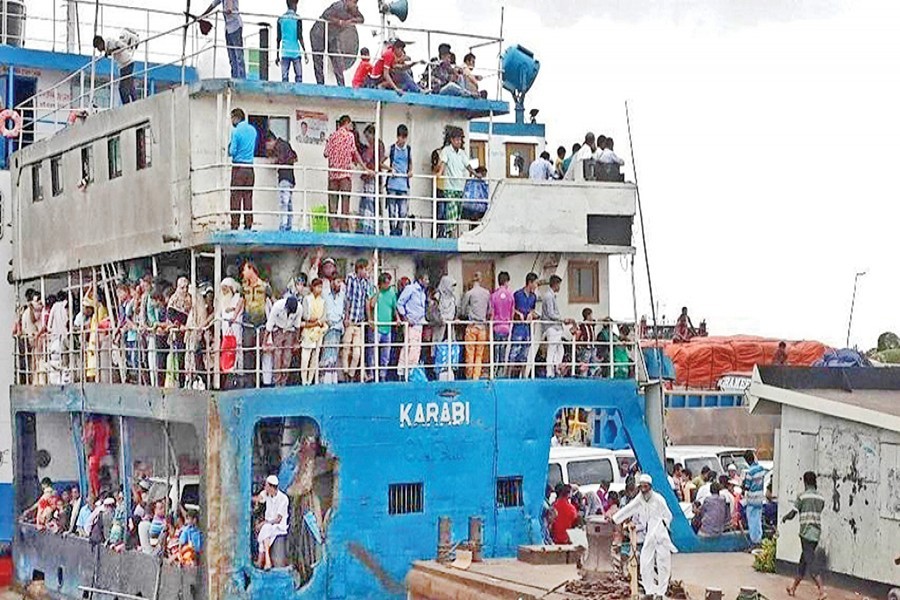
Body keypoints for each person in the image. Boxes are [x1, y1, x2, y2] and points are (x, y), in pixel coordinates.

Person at [613, 474, 677, 598]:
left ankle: (661, 592)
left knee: (663, 562)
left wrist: (662, 525)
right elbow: (629, 509)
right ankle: (650, 591)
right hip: (649, 534)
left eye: (645, 487)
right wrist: (615, 519)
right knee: (645, 561)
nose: (643, 489)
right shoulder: (640, 499)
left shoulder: (658, 499)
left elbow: (668, 515)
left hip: (660, 533)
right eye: (641, 487)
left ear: (650, 487)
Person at [782, 471, 827, 599]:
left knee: (811, 562)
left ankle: (821, 591)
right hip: (816, 533)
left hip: (806, 533)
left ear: (805, 482)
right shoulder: (820, 498)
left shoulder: (802, 497)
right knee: (803, 561)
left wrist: (785, 518)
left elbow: (793, 513)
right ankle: (793, 588)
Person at [323, 115, 367, 233]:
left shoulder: (332, 136)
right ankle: (344, 228)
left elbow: (326, 154)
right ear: (346, 123)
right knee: (345, 202)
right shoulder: (349, 136)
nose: (351, 126)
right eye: (350, 124)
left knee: (333, 202)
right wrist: (365, 167)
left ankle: (332, 228)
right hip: (345, 175)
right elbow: (355, 153)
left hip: (333, 175)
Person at [313, 0, 364, 86]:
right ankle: (320, 84)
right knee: (318, 58)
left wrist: (351, 20)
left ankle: (341, 85)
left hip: (332, 35)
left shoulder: (353, 9)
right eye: (354, 2)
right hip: (319, 32)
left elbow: (361, 19)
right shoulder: (338, 5)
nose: (355, 5)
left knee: (337, 58)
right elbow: (326, 15)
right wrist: (339, 21)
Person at [436, 127, 473, 238]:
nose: (458, 142)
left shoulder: (462, 153)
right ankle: (448, 233)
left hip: (460, 187)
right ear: (451, 140)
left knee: (457, 212)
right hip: (449, 186)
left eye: (460, 140)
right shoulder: (446, 150)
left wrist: (476, 174)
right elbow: (443, 163)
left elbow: (468, 166)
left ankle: (451, 232)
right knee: (450, 209)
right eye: (456, 140)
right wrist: (440, 173)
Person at [343, 259, 375, 382]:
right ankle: (346, 373)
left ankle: (351, 374)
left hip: (360, 322)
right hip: (350, 320)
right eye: (366, 269)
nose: (367, 272)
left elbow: (367, 302)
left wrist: (369, 319)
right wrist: (346, 318)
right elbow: (348, 299)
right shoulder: (351, 278)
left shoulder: (366, 282)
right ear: (360, 269)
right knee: (346, 349)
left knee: (357, 352)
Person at [228, 108, 258, 230]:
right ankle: (248, 224)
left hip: (238, 167)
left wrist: (229, 147)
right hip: (250, 168)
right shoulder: (253, 130)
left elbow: (232, 151)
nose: (231, 121)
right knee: (248, 197)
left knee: (235, 197)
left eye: (232, 118)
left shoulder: (236, 131)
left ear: (236, 118)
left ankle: (235, 224)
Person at [93, 29, 140, 104]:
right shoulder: (106, 47)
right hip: (123, 66)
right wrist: (108, 53)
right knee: (130, 86)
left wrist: (111, 51)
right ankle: (136, 102)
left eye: (98, 47)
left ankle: (127, 105)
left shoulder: (109, 42)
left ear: (100, 43)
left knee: (122, 88)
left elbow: (122, 46)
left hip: (127, 63)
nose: (99, 50)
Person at [397, 272, 429, 378]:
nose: (427, 282)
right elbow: (400, 303)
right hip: (411, 324)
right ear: (420, 280)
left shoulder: (423, 293)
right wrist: (405, 318)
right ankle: (408, 372)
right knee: (412, 348)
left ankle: (403, 372)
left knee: (411, 348)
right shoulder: (410, 289)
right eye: (426, 279)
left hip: (419, 324)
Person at [460, 272, 491, 380]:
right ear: (481, 279)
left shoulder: (469, 294)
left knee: (470, 353)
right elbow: (489, 310)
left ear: (472, 280)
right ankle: (476, 377)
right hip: (482, 327)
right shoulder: (487, 293)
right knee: (479, 354)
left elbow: (462, 311)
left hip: (472, 326)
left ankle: (469, 376)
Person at [265, 131, 298, 232]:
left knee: (284, 202)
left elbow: (281, 159)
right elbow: (295, 157)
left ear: (270, 141)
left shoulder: (279, 146)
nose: (267, 148)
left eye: (267, 145)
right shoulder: (285, 144)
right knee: (288, 203)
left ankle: (283, 226)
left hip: (284, 177)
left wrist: (273, 161)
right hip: (290, 177)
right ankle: (288, 225)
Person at [542, 275, 574, 378]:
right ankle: (549, 372)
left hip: (556, 327)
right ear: (555, 284)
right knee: (552, 350)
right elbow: (551, 313)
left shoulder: (551, 296)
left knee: (560, 349)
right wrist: (562, 319)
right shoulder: (549, 296)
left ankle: (556, 369)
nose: (559, 287)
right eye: (559, 284)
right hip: (552, 327)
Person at [254, 475, 289, 570]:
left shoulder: (283, 499)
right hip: (269, 526)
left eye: (266, 486)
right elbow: (259, 498)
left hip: (279, 527)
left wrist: (265, 523)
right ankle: (266, 561)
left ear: (271, 487)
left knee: (265, 528)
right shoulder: (266, 494)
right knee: (266, 531)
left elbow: (278, 519)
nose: (265, 488)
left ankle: (263, 560)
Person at [265, 295, 301, 387]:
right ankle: (277, 382)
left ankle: (284, 382)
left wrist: (296, 341)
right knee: (277, 357)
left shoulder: (299, 308)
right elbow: (269, 325)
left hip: (290, 331)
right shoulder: (277, 306)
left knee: (287, 358)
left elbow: (297, 326)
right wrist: (264, 343)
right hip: (278, 330)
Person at [203, 0, 245, 78]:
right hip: (228, 28)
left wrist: (229, 9)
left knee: (238, 55)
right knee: (232, 56)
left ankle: (242, 78)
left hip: (235, 26)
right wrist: (203, 15)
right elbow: (213, 4)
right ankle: (234, 77)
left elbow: (230, 5)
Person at [357, 125, 386, 234]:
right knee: (376, 204)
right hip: (377, 177)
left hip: (371, 176)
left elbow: (366, 158)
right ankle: (378, 229)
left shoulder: (374, 145)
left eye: (368, 136)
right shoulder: (380, 145)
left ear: (372, 134)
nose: (367, 139)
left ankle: (367, 230)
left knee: (368, 203)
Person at [509, 273, 539, 378]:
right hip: (518, 327)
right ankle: (509, 375)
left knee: (525, 353)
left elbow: (532, 309)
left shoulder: (533, 297)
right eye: (535, 283)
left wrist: (531, 314)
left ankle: (522, 376)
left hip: (527, 328)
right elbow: (511, 308)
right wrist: (518, 313)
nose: (536, 286)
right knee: (514, 351)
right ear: (530, 283)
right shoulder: (517, 294)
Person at [385, 124, 412, 236]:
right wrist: (390, 169)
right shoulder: (391, 149)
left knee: (403, 211)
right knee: (392, 210)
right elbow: (381, 162)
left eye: (405, 137)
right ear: (397, 137)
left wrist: (410, 171)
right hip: (392, 183)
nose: (403, 140)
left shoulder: (408, 149)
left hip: (403, 184)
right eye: (401, 137)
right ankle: (392, 230)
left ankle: (399, 229)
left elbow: (410, 163)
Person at [371, 273, 398, 381]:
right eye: (386, 283)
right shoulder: (376, 292)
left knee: (386, 354)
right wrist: (377, 292)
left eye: (389, 283)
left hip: (388, 328)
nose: (388, 285)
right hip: (377, 327)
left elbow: (394, 308)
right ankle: (372, 374)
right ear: (381, 284)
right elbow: (372, 304)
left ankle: (383, 375)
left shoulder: (392, 293)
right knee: (373, 351)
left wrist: (398, 319)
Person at [300, 279, 327, 385]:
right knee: (305, 357)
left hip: (318, 332)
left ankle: (310, 380)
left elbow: (324, 317)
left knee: (315, 357)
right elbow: (305, 315)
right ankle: (303, 380)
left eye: (321, 287)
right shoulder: (307, 299)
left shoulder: (323, 301)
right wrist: (315, 320)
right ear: (313, 287)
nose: (319, 289)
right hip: (308, 331)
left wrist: (318, 321)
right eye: (317, 287)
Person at [320, 274, 345, 385]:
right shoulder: (325, 293)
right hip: (328, 327)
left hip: (338, 328)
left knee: (334, 353)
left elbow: (345, 307)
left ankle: (333, 378)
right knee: (327, 352)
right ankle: (324, 379)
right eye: (337, 282)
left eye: (340, 282)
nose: (339, 284)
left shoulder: (342, 294)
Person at [276, 0, 307, 83]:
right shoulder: (297, 18)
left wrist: (277, 55)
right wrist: (305, 52)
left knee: (284, 79)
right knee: (299, 77)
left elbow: (278, 38)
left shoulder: (280, 19)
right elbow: (300, 36)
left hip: (285, 52)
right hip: (295, 52)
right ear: (294, 4)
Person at [490, 272, 514, 376]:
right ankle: (501, 371)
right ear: (506, 281)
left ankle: (494, 370)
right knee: (503, 349)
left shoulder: (494, 295)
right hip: (506, 326)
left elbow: (492, 312)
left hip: (496, 326)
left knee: (496, 349)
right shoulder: (510, 295)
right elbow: (512, 312)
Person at [743, 450, 767, 547]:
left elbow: (747, 487)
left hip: (752, 499)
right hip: (760, 498)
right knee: (758, 520)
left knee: (752, 521)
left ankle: (754, 541)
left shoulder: (749, 472)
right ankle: (759, 538)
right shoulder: (761, 469)